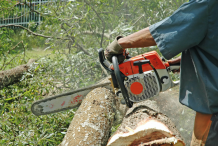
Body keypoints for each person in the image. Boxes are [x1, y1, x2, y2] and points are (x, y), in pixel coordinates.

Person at [104, 0, 218, 145]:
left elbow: (168, 29)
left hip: (213, 116)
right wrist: (182, 61)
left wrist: (121, 43)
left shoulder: (207, 4)